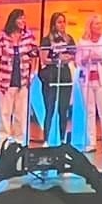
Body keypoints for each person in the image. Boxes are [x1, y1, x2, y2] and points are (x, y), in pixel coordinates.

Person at [0, 7, 40, 147]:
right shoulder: (2, 37)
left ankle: (19, 141)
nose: (23, 21)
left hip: (23, 81)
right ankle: (3, 143)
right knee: (4, 114)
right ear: (13, 20)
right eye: (20, 18)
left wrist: (33, 73)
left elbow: (34, 55)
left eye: (24, 18)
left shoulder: (29, 36)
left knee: (21, 114)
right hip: (6, 81)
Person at [77, 13, 102, 152]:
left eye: (101, 23)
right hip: (87, 80)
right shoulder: (82, 42)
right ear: (90, 26)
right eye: (97, 24)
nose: (100, 26)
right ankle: (92, 142)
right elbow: (78, 61)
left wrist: (99, 57)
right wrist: (85, 58)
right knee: (90, 112)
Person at [38, 12, 75, 145]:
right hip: (51, 75)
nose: (62, 25)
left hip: (65, 74)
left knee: (63, 109)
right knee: (50, 108)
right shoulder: (46, 40)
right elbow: (44, 59)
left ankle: (63, 139)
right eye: (59, 22)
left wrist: (67, 58)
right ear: (53, 24)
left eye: (64, 22)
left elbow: (74, 54)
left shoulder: (69, 39)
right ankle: (46, 139)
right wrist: (57, 59)